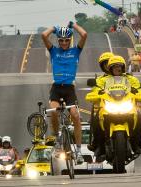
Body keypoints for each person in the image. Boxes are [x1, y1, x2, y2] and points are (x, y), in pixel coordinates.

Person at [42, 21, 87, 164]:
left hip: (69, 89)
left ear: (70, 40)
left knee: (75, 115)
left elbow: (84, 34)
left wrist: (73, 25)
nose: (63, 43)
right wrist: (54, 28)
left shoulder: (76, 51)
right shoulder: (53, 51)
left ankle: (79, 151)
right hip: (56, 87)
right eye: (61, 40)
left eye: (66, 40)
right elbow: (44, 35)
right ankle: (56, 139)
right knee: (54, 111)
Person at [88, 55, 141, 155]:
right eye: (114, 66)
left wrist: (138, 92)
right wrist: (97, 93)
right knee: (95, 119)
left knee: (140, 117)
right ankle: (98, 145)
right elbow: (95, 90)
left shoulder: (131, 79)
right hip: (108, 107)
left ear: (123, 67)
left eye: (119, 66)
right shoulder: (102, 80)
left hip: (126, 106)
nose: (117, 68)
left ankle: (136, 142)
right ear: (110, 68)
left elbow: (139, 89)